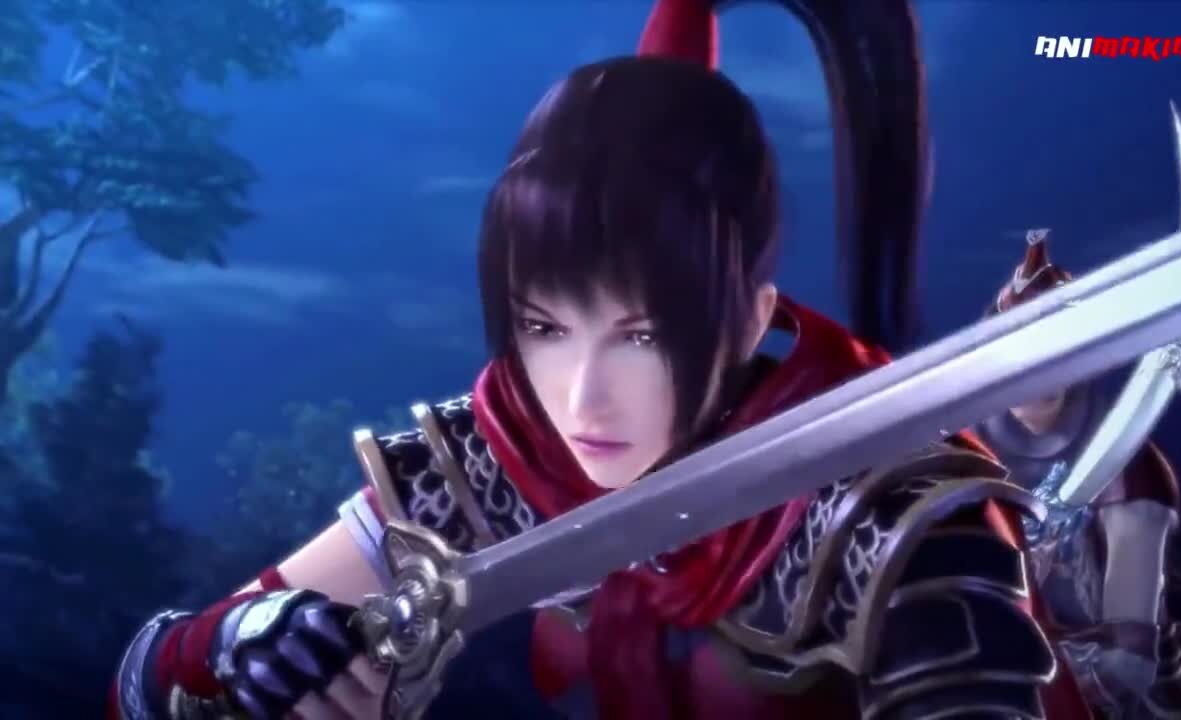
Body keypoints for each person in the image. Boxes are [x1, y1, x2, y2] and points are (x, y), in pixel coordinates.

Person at [111, 1, 1089, 718]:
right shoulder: (505, 453)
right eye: (545, 328)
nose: (581, 399)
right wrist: (249, 646)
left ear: (752, 319)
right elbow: (148, 685)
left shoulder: (891, 515)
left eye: (642, 335)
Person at [976, 230, 1181, 718]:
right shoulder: (960, 451)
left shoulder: (1126, 463)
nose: (1040, 364)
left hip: (1091, 691)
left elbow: (1128, 662)